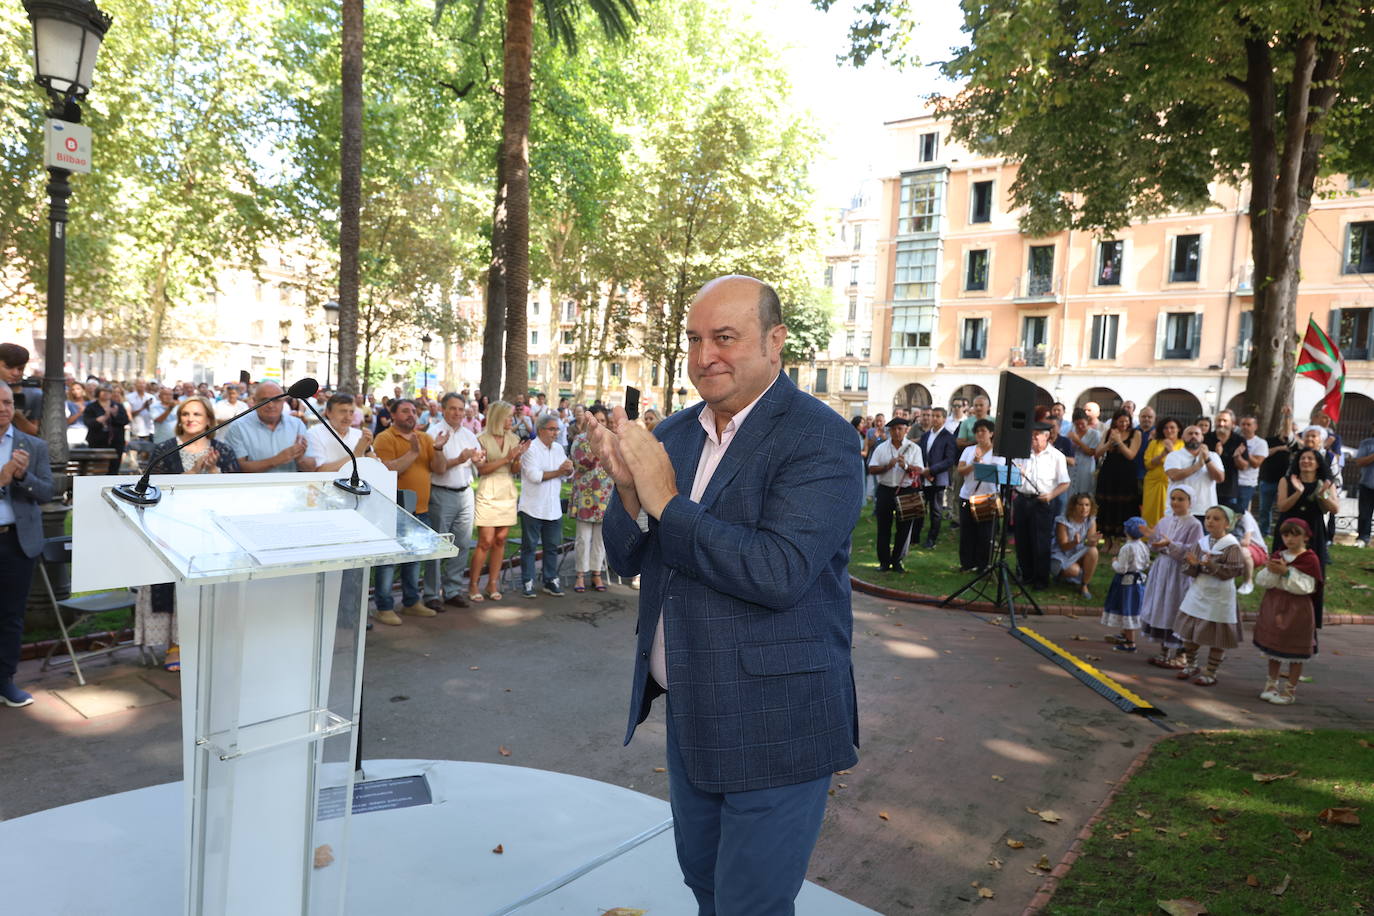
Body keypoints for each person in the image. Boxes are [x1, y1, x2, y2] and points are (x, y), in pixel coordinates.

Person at [586, 275, 863, 913]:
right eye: (695, 339)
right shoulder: (678, 434)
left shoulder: (820, 438)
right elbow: (630, 558)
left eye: (725, 337)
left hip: (777, 719)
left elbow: (778, 571)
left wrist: (663, 500)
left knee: (751, 904)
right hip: (692, 708)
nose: (705, 354)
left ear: (775, 342)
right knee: (706, 885)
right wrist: (631, 494)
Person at [141, 396, 242, 670]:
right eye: (185, 414)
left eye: (197, 414)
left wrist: (213, 469)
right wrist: (196, 470)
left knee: (212, 589)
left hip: (212, 531)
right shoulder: (165, 449)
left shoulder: (223, 450)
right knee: (176, 588)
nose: (190, 419)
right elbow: (154, 489)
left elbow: (237, 491)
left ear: (209, 419)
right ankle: (175, 646)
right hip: (174, 529)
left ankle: (210, 642)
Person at [0, 382, 55, 708]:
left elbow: (48, 492)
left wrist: (22, 478)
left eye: (7, 402)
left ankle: (5, 681)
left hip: (16, 544)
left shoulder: (32, 446)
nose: (4, 408)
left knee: (11, 616)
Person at [370, 399, 446, 625]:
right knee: (389, 559)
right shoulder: (384, 438)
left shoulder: (425, 438)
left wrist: (439, 449)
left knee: (414, 558)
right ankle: (383, 607)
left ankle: (411, 602)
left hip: (420, 510)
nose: (411, 415)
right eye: (404, 411)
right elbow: (387, 470)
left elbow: (439, 469)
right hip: (392, 509)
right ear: (392, 415)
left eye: (413, 411)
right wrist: (413, 452)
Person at [1252, 518, 1322, 705]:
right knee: (1274, 648)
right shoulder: (1278, 555)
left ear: (1306, 537)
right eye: (1286, 534)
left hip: (1297, 609)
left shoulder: (1309, 559)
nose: (1289, 539)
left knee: (1294, 651)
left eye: (1295, 534)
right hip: (1275, 604)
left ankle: (1289, 690)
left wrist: (1287, 573)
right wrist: (1273, 571)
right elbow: (1263, 581)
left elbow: (1307, 586)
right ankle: (1271, 684)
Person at [1174, 505, 1246, 686]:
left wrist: (1211, 565)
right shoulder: (1202, 543)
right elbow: (1191, 569)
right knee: (1189, 632)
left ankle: (1211, 672)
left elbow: (1233, 571)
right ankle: (1191, 665)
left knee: (1217, 636)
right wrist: (1193, 565)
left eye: (1216, 518)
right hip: (1200, 591)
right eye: (1207, 518)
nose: (1210, 521)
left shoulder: (1231, 546)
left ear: (1227, 524)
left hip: (1220, 595)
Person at [422, 393, 482, 610]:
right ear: (443, 409)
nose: (457, 413)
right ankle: (431, 594)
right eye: (452, 408)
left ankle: (453, 590)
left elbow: (478, 463)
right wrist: (461, 458)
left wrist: (476, 459)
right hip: (441, 493)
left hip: (465, 492)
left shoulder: (469, 434)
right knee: (438, 545)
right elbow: (436, 467)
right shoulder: (432, 433)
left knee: (463, 543)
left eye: (460, 409)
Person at [468, 401, 528, 602]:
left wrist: (518, 458)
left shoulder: (514, 438)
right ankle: (473, 584)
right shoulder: (481, 439)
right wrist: (507, 458)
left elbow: (514, 470)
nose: (511, 420)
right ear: (497, 418)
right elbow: (482, 470)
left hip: (507, 490)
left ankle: (492, 583)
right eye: (508, 417)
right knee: (485, 541)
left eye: (512, 416)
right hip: (488, 489)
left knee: (501, 539)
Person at [1139, 485, 1204, 668]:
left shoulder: (1194, 524)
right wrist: (1152, 539)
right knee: (1162, 605)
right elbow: (1155, 545)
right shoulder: (1165, 520)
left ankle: (1181, 654)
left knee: (1176, 606)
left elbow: (1193, 551)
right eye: (1173, 498)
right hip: (1163, 568)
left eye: (1181, 499)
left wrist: (1171, 544)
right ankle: (1164, 650)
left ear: (1190, 502)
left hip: (1179, 572)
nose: (1176, 502)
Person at [519, 411, 573, 598]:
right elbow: (535, 477)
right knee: (529, 547)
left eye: (557, 429)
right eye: (551, 429)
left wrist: (569, 470)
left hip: (553, 508)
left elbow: (567, 474)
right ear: (540, 430)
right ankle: (527, 582)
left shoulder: (558, 448)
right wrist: (559, 471)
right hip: (532, 507)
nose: (555, 432)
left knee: (552, 547)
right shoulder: (530, 449)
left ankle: (550, 580)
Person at [1012, 422, 1071, 591]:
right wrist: (1018, 475)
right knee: (1022, 540)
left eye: (1037, 434)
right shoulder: (1022, 454)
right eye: (1031, 434)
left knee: (1040, 542)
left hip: (1042, 502)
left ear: (1046, 436)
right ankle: (1027, 575)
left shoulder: (1056, 456)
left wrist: (1051, 495)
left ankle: (1041, 579)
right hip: (1022, 499)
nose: (1033, 438)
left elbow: (1065, 483)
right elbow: (1012, 479)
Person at [868, 416, 923, 573]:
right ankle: (884, 562)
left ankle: (897, 561)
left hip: (906, 490)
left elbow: (919, 470)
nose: (897, 432)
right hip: (885, 489)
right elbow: (872, 468)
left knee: (904, 528)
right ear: (890, 431)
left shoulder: (914, 448)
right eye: (894, 429)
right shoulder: (882, 448)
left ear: (906, 430)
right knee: (883, 527)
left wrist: (905, 466)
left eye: (900, 429)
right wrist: (887, 466)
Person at [571, 405, 614, 593]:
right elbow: (581, 464)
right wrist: (595, 448)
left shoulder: (612, 441)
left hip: (605, 496)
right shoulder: (580, 440)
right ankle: (580, 574)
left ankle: (597, 573)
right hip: (585, 496)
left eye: (603, 420)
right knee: (583, 538)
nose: (600, 424)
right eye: (597, 420)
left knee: (600, 539)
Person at [222, 382, 308, 473]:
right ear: (254, 401)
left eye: (276, 400)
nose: (271, 405)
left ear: (284, 401)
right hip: (252, 486)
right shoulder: (238, 427)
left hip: (292, 486)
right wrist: (277, 460)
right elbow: (237, 468)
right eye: (264, 400)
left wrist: (300, 459)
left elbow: (312, 467)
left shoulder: (297, 425)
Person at [955, 418, 1003, 573]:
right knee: (967, 531)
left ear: (991, 433)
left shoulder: (998, 453)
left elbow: (1000, 474)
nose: (980, 434)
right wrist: (974, 463)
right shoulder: (969, 450)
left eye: (983, 431)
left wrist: (984, 466)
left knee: (985, 533)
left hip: (987, 497)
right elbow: (961, 470)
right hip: (967, 495)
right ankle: (967, 563)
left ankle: (983, 564)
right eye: (977, 431)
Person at [1094, 409, 1142, 553]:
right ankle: (1107, 540)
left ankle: (1117, 541)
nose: (1124, 424)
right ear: (1115, 421)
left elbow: (1131, 455)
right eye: (1121, 421)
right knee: (1106, 505)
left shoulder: (1136, 434)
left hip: (1126, 474)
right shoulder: (1109, 432)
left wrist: (1120, 442)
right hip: (1109, 473)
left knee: (1123, 507)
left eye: (1126, 421)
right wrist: (1109, 443)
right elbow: (1097, 453)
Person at [911, 406, 957, 549]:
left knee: (936, 511)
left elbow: (949, 460)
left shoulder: (948, 437)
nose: (935, 419)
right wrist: (920, 468)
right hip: (922, 477)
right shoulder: (925, 436)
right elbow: (920, 454)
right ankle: (915, 537)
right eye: (933, 416)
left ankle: (931, 539)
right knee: (919, 508)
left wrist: (931, 470)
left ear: (944, 419)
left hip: (937, 478)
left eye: (938, 416)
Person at [1102, 516, 1150, 652]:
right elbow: (1146, 563)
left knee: (1126, 609)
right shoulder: (1143, 546)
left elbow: (1121, 568)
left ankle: (1130, 642)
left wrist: (1114, 562)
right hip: (1138, 582)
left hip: (1125, 584)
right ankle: (1125, 634)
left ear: (1127, 531)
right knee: (1132, 608)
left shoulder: (1127, 548)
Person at [1164, 425, 1223, 521]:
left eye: (1197, 434)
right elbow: (1174, 475)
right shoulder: (1173, 456)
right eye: (1190, 434)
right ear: (1183, 437)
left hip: (1205, 511)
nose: (1193, 436)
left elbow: (1220, 478)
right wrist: (1198, 466)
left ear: (1202, 437)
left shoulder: (1213, 456)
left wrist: (1207, 460)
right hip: (1178, 511)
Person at [303, 392, 373, 473]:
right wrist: (356, 455)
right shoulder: (313, 434)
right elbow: (319, 471)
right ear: (328, 412)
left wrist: (367, 450)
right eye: (343, 411)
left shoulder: (359, 434)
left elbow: (376, 468)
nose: (348, 417)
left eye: (351, 412)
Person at [1256, 406, 1295, 537]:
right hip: (1268, 480)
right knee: (1264, 509)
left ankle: (1281, 532)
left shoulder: (1293, 444)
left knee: (1284, 509)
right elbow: (1264, 454)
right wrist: (1280, 448)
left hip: (1285, 482)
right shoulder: (1269, 441)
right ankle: (1264, 532)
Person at [1051, 493, 1099, 598]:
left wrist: (1093, 541)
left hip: (1079, 551)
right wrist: (1074, 542)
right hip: (1063, 554)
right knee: (1074, 571)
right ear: (1073, 506)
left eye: (1087, 505)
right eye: (1080, 505)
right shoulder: (1063, 520)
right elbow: (1063, 546)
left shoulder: (1091, 520)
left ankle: (1084, 585)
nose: (1084, 508)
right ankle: (1059, 575)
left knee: (1093, 550)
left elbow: (1089, 543)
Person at [1141, 417, 1182, 525]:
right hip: (1153, 482)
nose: (1169, 430)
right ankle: (1149, 537)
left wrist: (1171, 451)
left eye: (1172, 427)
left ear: (1178, 429)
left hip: (1172, 483)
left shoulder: (1182, 444)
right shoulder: (1154, 443)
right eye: (1166, 428)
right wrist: (1163, 454)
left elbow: (1182, 464)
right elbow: (1148, 464)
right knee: (1151, 510)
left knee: (1169, 510)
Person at [83, 384, 130, 473]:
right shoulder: (91, 407)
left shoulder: (117, 406)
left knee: (114, 468)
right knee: (97, 468)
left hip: (116, 442)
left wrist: (115, 415)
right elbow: (88, 422)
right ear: (98, 392)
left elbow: (125, 421)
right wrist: (102, 419)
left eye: (108, 391)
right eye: (103, 391)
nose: (106, 393)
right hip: (97, 442)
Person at [1204, 410, 1245, 511]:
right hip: (1208, 488)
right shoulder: (1206, 438)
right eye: (1219, 420)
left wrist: (1237, 457)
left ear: (1232, 424)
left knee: (1228, 521)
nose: (1221, 424)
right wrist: (1216, 455)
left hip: (1229, 490)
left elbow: (1243, 466)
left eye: (1225, 421)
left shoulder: (1239, 440)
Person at [0, 344, 40, 436]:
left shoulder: (35, 394)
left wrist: (17, 415)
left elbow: (37, 433)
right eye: (8, 367)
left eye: (20, 369)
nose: (15, 373)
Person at [1065, 408, 1101, 498]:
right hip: (1071, 467)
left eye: (1082, 424)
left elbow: (1092, 452)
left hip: (1086, 466)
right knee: (1070, 493)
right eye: (1077, 424)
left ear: (1087, 421)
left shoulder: (1094, 434)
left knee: (1085, 493)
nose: (1080, 426)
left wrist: (1078, 441)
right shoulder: (1070, 432)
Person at [1235, 415, 1268, 514]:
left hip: (1246, 483)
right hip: (1231, 483)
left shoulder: (1260, 443)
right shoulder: (1235, 439)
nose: (1245, 427)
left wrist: (1245, 452)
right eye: (1243, 424)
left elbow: (1256, 464)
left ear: (1255, 427)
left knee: (1240, 514)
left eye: (1248, 424)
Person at [1355, 419, 1374, 549]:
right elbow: (1359, 462)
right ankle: (1363, 538)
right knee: (1364, 513)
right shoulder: (1366, 443)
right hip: (1367, 483)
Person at [65, 381, 89, 447]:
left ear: (83, 390)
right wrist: (79, 413)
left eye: (78, 389)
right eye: (73, 389)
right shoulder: (68, 403)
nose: (76, 391)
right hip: (72, 432)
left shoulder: (90, 404)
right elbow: (67, 421)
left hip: (87, 432)